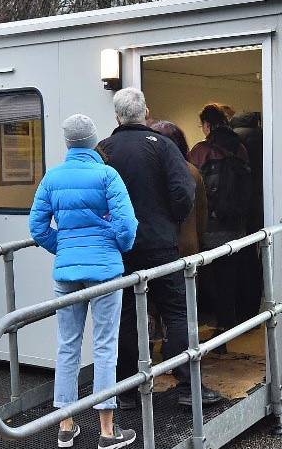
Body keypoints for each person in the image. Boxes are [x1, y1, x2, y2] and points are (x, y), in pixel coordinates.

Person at [99, 88, 223, 409]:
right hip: (160, 245)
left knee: (127, 314)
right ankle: (184, 382)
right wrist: (169, 221)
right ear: (147, 113)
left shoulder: (104, 150)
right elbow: (183, 192)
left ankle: (127, 390)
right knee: (177, 310)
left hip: (119, 249)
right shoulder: (164, 147)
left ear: (117, 117)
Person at [29, 114, 140, 449]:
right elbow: (127, 225)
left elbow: (37, 228)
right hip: (105, 271)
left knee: (67, 346)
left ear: (68, 143)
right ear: (93, 141)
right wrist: (115, 245)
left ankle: (65, 425)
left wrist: (63, 248)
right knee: (105, 346)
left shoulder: (52, 177)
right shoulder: (107, 175)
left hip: (66, 273)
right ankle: (107, 432)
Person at [189, 104, 253, 340]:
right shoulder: (240, 149)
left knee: (208, 277)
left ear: (206, 125)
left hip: (210, 226)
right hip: (237, 224)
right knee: (231, 276)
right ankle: (229, 324)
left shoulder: (201, 151)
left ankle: (212, 328)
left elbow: (190, 187)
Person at [147, 119, 207, 258]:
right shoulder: (192, 171)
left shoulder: (148, 169)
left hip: (157, 248)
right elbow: (202, 215)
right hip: (188, 247)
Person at [230, 111, 265, 321]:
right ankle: (256, 304)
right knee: (257, 256)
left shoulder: (235, 141)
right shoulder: (263, 137)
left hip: (242, 210)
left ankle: (242, 311)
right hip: (260, 205)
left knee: (243, 258)